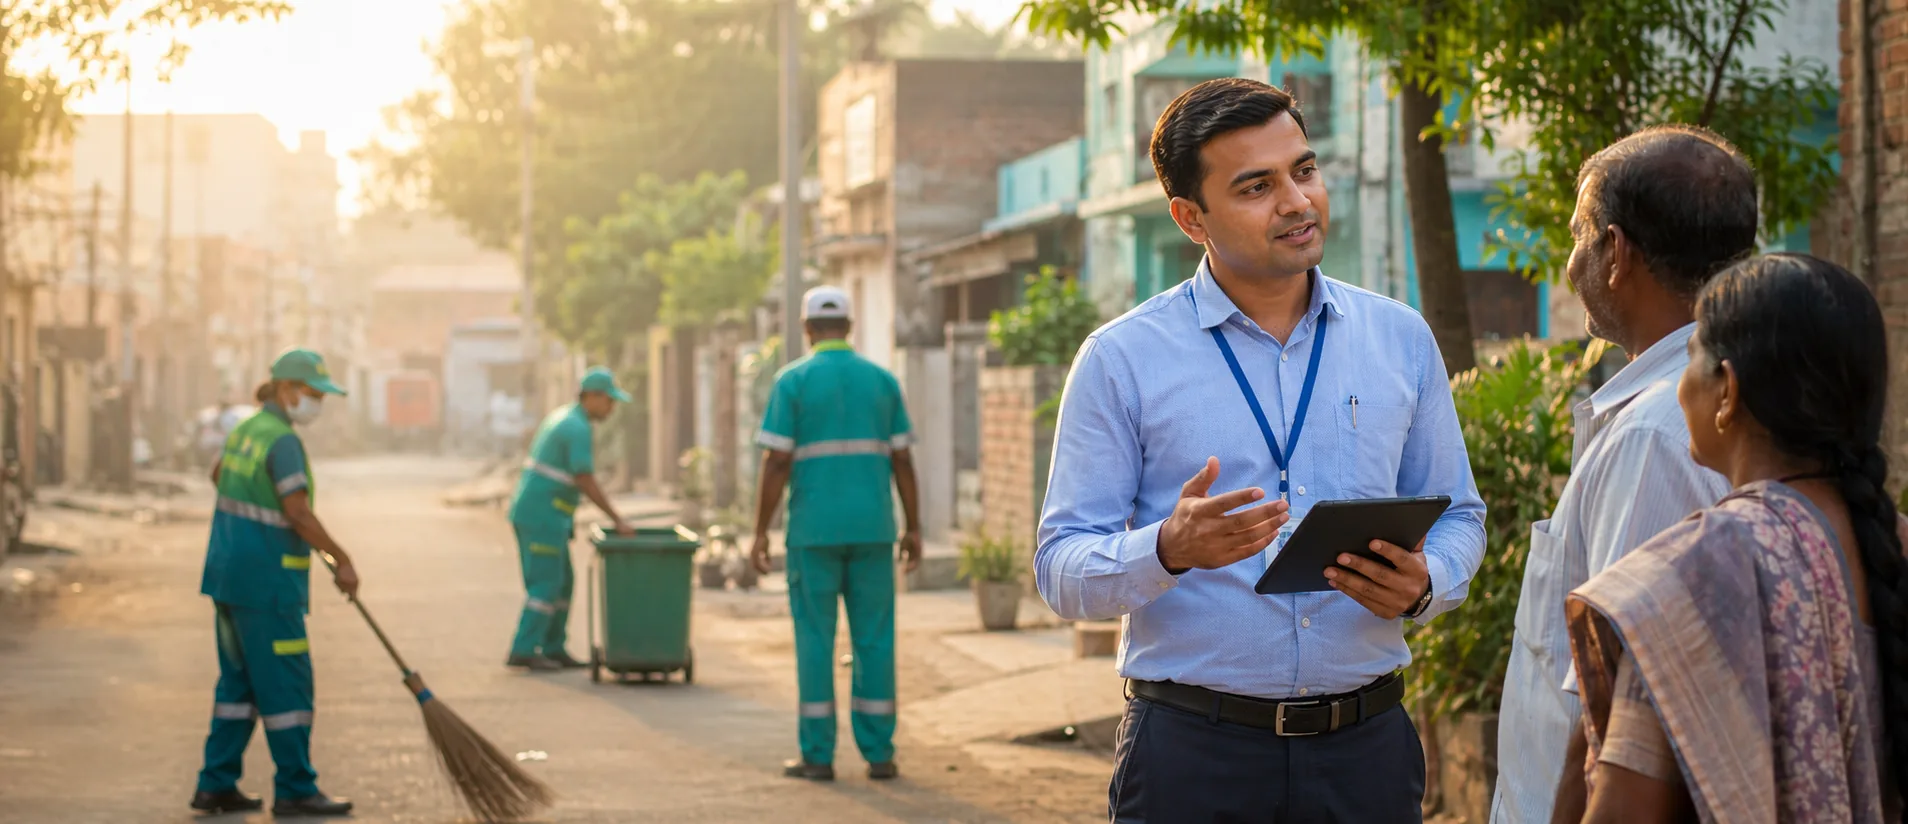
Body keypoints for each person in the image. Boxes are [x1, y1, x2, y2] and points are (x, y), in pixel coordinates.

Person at [1036, 77, 1485, 821]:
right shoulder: (1122, 359)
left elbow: (1460, 514)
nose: (1297, 202)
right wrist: (1167, 549)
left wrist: (1426, 582)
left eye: (1304, 170)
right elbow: (1060, 568)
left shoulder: (1399, 337)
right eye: (1256, 186)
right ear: (1190, 218)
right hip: (1192, 755)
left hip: (1366, 750)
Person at [1556, 253, 1907, 822]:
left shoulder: (1695, 573)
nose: (1678, 387)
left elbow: (1624, 808)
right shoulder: (1891, 545)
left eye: (1692, 357)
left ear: (1728, 392)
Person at [1492, 126, 1752, 824]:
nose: (1570, 260)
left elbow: (1617, 717)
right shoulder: (1712, 402)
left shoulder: (1655, 437)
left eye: (1580, 234)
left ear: (1616, 253)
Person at [749, 285, 922, 783]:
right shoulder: (882, 382)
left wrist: (759, 532)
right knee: (874, 639)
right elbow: (903, 460)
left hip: (812, 534)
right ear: (849, 327)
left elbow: (777, 460)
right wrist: (914, 527)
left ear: (807, 329)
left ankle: (818, 756)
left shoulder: (792, 382)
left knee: (814, 641)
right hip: (873, 531)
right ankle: (879, 753)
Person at [191, 348, 356, 818]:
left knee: (239, 685)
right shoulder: (282, 441)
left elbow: (218, 474)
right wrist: (342, 560)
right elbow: (297, 511)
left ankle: (216, 784)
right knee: (288, 686)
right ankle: (296, 788)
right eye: (312, 394)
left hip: (226, 575)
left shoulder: (246, 430)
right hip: (267, 583)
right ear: (286, 390)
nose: (317, 403)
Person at [504, 368, 635, 671]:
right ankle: (523, 648)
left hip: (552, 515)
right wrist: (617, 518)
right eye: (609, 401)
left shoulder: (567, 418)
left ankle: (553, 646)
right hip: (542, 516)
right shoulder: (576, 428)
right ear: (592, 397)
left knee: (563, 584)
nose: (612, 408)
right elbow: (585, 478)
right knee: (546, 585)